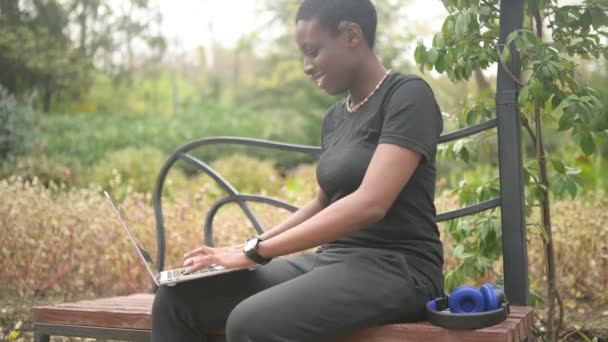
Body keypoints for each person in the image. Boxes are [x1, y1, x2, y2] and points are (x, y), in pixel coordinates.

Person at [151, 0, 444, 341]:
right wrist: (248, 246)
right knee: (178, 299)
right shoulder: (336, 117)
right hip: (331, 262)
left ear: (352, 35)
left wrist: (257, 253)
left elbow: (370, 203)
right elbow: (322, 203)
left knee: (251, 322)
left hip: (398, 269)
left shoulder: (408, 95)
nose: (306, 66)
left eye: (313, 51)